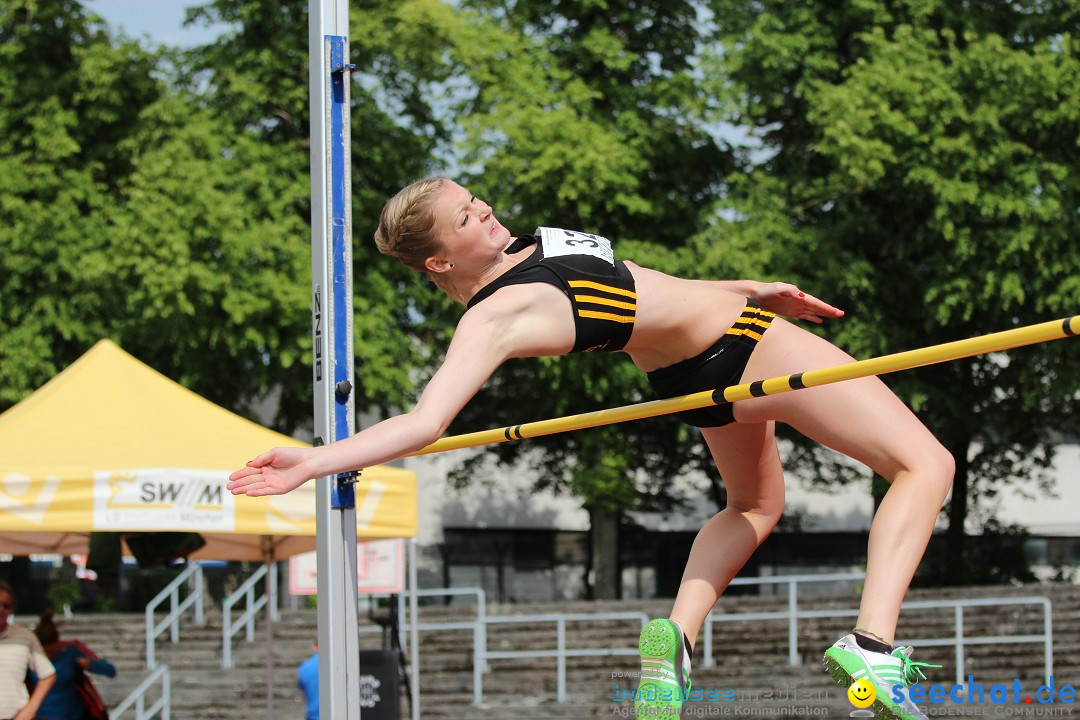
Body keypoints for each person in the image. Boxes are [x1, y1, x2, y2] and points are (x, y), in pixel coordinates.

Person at [228, 177, 954, 720]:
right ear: (439, 263)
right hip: (744, 343)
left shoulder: (538, 249)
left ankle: (675, 640)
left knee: (756, 504)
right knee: (926, 465)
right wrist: (316, 460)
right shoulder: (495, 317)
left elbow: (646, 285)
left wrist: (749, 285)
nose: (483, 210)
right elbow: (426, 422)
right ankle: (872, 646)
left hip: (690, 371)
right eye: (464, 218)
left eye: (474, 199)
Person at [31, 610, 116, 720]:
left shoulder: (71, 651)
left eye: (52, 651)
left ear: (58, 642)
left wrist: (90, 664)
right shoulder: (29, 655)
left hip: (74, 715)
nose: (48, 656)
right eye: (44, 652)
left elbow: (111, 670)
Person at [0, 580, 55, 720]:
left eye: (6, 605)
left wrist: (30, 710)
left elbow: (48, 675)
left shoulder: (25, 636)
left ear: (12, 609)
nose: (1, 609)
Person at [297, 643, 318, 720]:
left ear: (315, 648)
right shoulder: (335, 665)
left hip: (313, 716)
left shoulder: (304, 668)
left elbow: (302, 688)